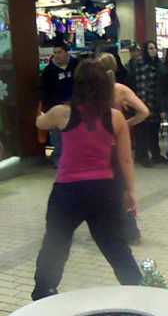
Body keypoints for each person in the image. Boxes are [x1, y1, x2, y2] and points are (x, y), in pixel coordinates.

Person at [32, 60, 144, 301]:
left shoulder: (62, 113)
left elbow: (40, 123)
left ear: (77, 84)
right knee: (115, 245)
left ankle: (44, 293)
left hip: (67, 192)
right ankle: (138, 291)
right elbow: (125, 159)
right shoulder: (115, 117)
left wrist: (40, 113)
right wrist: (132, 192)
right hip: (104, 191)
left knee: (56, 244)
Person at [98, 53, 150, 244]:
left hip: (97, 143)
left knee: (102, 186)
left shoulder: (92, 91)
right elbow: (144, 111)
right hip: (118, 142)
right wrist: (126, 124)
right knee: (123, 185)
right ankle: (130, 231)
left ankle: (107, 227)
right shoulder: (120, 90)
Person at [41, 41, 78, 166]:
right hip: (56, 109)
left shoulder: (77, 65)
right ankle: (58, 161)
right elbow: (45, 92)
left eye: (59, 52)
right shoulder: (49, 71)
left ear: (67, 52)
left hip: (76, 107)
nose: (56, 55)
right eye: (54, 53)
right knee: (57, 138)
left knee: (76, 135)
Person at [131, 41, 166, 167]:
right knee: (143, 131)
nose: (153, 50)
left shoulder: (158, 64)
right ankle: (142, 156)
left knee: (154, 130)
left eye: (154, 48)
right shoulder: (140, 64)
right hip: (143, 101)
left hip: (155, 101)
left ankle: (156, 154)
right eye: (150, 48)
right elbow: (141, 85)